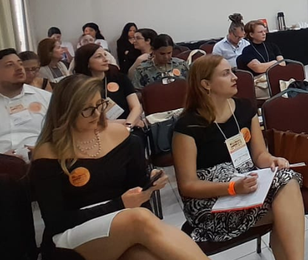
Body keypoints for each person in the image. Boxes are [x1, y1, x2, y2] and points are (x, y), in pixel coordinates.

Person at [30, 75, 209, 260]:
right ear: (66, 112)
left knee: (146, 255)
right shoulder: (48, 153)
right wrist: (119, 204)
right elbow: (56, 221)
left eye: (100, 105)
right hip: (72, 233)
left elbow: (139, 194)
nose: (97, 114)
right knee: (138, 219)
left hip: (124, 223)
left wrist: (148, 187)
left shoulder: (122, 137)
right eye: (87, 110)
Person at [172, 55, 304, 257]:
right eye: (226, 74)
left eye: (232, 71)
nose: (234, 77)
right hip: (213, 200)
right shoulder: (187, 126)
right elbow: (188, 186)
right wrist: (233, 187)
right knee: (286, 207)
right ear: (206, 84)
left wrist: (273, 161)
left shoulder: (244, 108)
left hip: (247, 186)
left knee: (287, 182)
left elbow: (260, 154)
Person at [0, 49, 52, 162]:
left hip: (40, 164)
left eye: (20, 63)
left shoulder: (46, 98)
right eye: (9, 65)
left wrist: (45, 151)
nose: (19, 68)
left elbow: (61, 134)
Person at [74, 44, 143, 127]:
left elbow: (136, 107)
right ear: (86, 62)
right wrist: (121, 123)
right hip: (97, 130)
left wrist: (128, 125)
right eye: (99, 57)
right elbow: (86, 120)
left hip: (128, 127)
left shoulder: (119, 78)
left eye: (105, 55)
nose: (105, 59)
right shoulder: (80, 86)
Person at [236, 21, 285, 99]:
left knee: (295, 86)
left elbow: (282, 64)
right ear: (251, 34)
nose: (264, 33)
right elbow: (259, 68)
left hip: (275, 78)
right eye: (260, 32)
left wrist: (269, 65)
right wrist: (275, 62)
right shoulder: (247, 50)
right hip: (258, 84)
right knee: (281, 90)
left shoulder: (272, 46)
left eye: (264, 31)